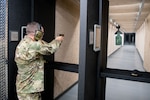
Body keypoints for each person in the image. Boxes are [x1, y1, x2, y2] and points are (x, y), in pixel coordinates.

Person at [14, 21, 64, 100]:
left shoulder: (25, 42)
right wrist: (58, 40)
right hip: (28, 90)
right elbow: (50, 48)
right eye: (42, 33)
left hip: (28, 87)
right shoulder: (33, 45)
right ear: (37, 33)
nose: (42, 36)